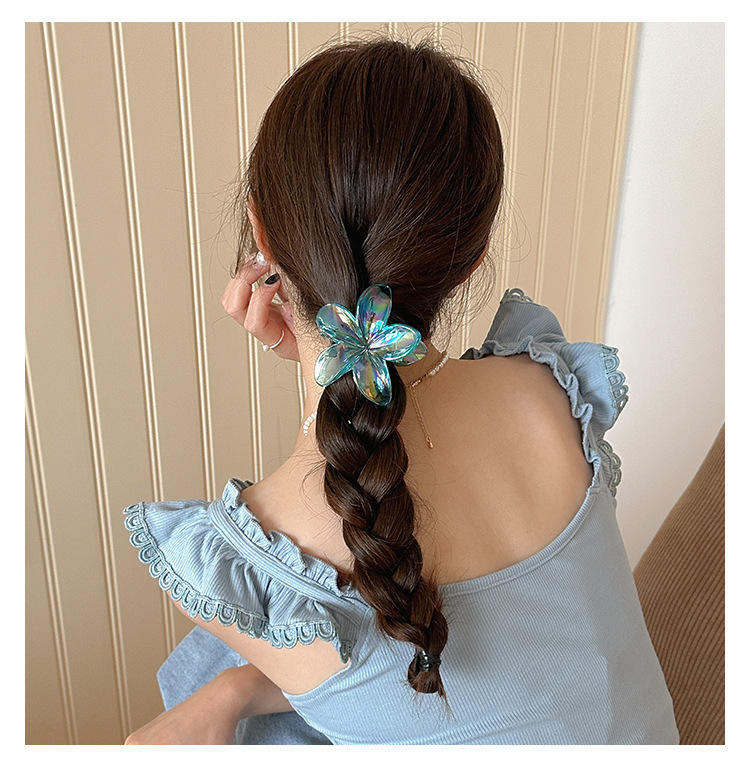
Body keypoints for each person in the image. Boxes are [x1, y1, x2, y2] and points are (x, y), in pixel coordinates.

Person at [122, 37, 679, 745]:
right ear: (471, 259)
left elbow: (356, 649)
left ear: (261, 232)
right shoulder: (553, 395)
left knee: (203, 671)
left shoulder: (263, 554)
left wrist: (311, 358)